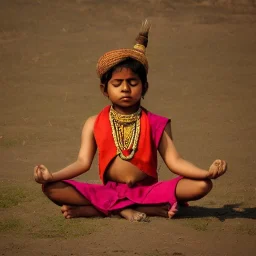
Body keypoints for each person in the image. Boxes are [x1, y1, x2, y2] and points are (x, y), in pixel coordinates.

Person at [34, 20, 227, 222]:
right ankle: (140, 209)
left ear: (144, 87)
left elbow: (175, 161)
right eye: (117, 83)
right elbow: (82, 162)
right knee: (51, 188)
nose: (125, 89)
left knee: (202, 185)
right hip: (110, 191)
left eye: (132, 83)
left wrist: (206, 172)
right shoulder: (94, 122)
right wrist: (52, 176)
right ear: (104, 89)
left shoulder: (156, 122)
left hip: (148, 190)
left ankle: (104, 209)